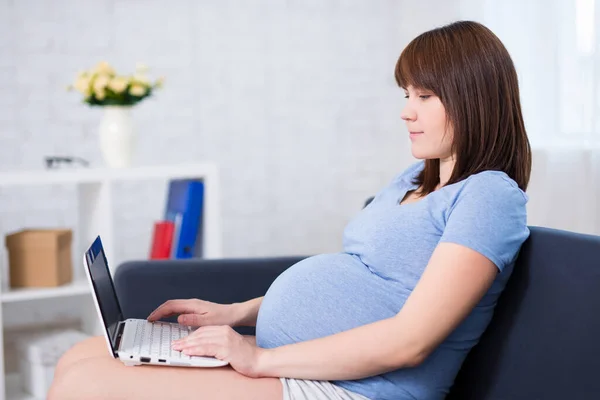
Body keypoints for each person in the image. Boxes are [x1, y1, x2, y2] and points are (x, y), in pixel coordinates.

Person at [49, 20, 531, 400]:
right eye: (406, 95)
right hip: (295, 362)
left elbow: (411, 340)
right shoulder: (412, 180)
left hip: (354, 389)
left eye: (425, 96)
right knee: (81, 357)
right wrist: (235, 313)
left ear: (474, 98)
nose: (406, 110)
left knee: (85, 388)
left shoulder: (489, 196)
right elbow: (362, 276)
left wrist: (253, 359)